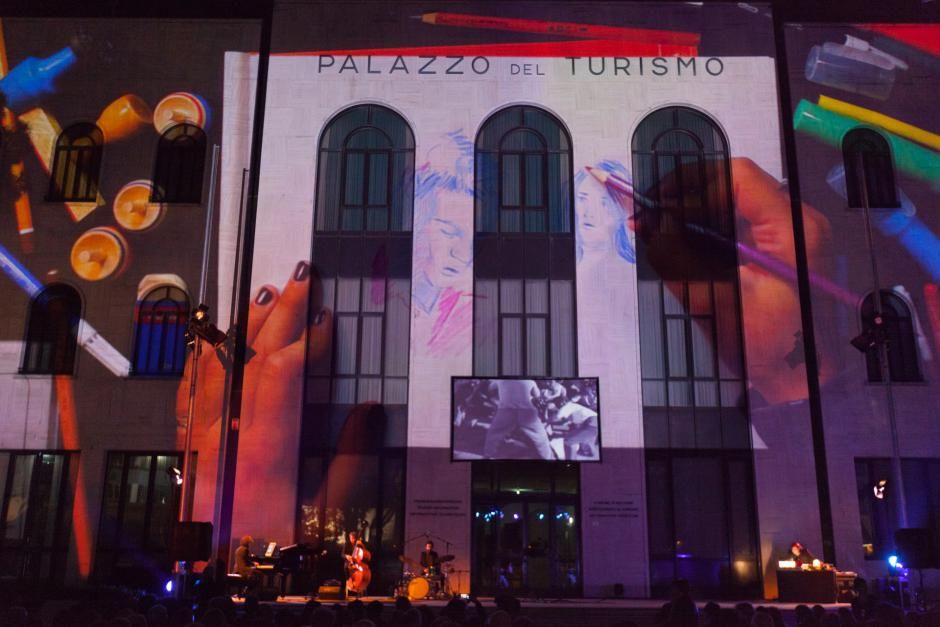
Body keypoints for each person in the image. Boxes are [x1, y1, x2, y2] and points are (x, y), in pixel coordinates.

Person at [482, 379, 553, 460]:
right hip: (526, 411)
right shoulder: (530, 381)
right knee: (541, 436)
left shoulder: (501, 380)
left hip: (506, 410)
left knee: (494, 433)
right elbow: (537, 395)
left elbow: (490, 388)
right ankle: (548, 457)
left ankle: (488, 455)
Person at [345, 530, 372, 598]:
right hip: (350, 563)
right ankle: (348, 584)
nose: (351, 540)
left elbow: (365, 553)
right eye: (350, 538)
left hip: (359, 565)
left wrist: (362, 545)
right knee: (346, 568)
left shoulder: (360, 544)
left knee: (360, 575)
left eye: (352, 538)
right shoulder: (347, 544)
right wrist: (346, 556)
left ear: (355, 538)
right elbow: (342, 554)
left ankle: (360, 590)